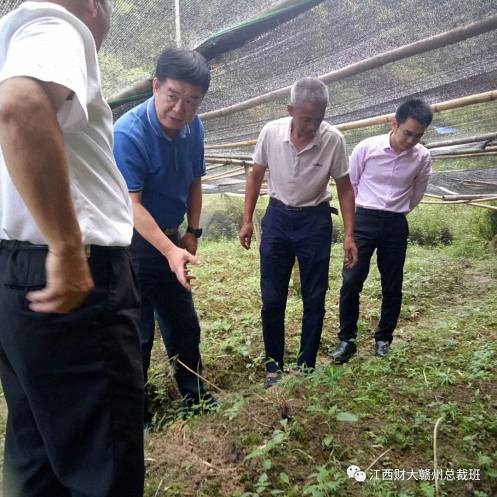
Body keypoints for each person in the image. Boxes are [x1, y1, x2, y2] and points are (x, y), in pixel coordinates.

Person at [0, 1, 145, 496]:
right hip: (72, 281)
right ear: (94, 6)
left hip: (15, 273)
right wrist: (65, 246)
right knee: (101, 463)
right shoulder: (56, 22)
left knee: (37, 450)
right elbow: (19, 105)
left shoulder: (7, 43)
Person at [113, 47, 216, 425]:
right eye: (173, 97)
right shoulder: (128, 133)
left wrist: (191, 232)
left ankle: (195, 398)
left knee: (184, 325)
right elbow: (132, 206)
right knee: (137, 334)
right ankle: (135, 414)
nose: (180, 109)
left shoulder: (195, 127)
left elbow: (194, 180)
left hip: (173, 238)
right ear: (156, 87)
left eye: (191, 101)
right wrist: (170, 250)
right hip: (134, 243)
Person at [239, 77, 358, 388]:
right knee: (272, 297)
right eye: (307, 119)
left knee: (314, 296)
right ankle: (273, 368)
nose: (313, 126)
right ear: (290, 109)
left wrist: (349, 234)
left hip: (315, 221)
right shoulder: (270, 132)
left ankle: (305, 367)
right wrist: (247, 219)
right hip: (277, 216)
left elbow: (345, 189)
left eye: (319, 118)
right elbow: (255, 176)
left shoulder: (333, 139)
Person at [331, 99, 433, 363]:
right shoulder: (367, 148)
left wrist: (396, 211)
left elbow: (417, 193)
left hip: (395, 224)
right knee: (352, 280)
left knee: (392, 284)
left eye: (418, 136)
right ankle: (347, 340)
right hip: (363, 219)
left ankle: (383, 339)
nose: (411, 141)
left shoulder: (422, 157)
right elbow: (349, 185)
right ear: (394, 123)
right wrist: (351, 230)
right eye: (407, 133)